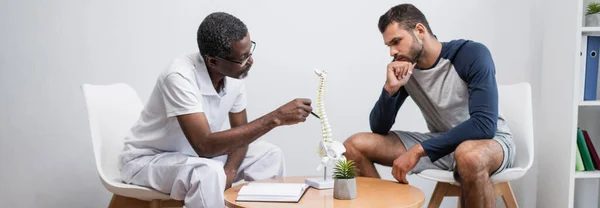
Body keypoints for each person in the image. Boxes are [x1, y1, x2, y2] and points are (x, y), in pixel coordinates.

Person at [118, 12, 313, 208]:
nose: (250, 62)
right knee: (207, 173)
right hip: (148, 160)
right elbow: (204, 145)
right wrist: (276, 118)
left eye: (250, 52)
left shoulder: (235, 76)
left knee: (269, 155)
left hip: (196, 158)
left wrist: (230, 169)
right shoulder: (179, 76)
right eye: (243, 58)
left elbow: (242, 135)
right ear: (212, 61)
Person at [342, 4, 515, 208]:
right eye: (388, 45)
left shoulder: (471, 54)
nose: (392, 52)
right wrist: (390, 89)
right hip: (442, 144)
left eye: (396, 42)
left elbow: (484, 125)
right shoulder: (406, 69)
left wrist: (419, 150)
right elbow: (379, 128)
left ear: (420, 31)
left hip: (490, 143)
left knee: (469, 156)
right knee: (353, 146)